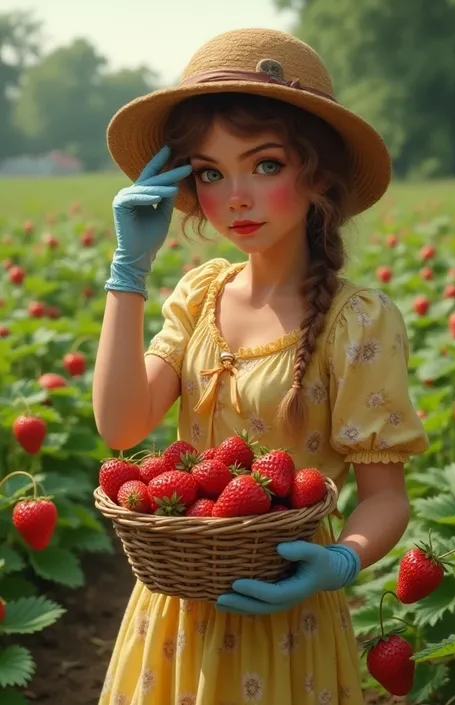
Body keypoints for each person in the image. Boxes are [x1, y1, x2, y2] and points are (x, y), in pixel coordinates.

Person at [92, 27, 429, 705]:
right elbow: (121, 425)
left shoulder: (356, 321)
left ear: (318, 173)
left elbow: (386, 495)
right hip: (174, 611)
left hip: (288, 620)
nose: (236, 195)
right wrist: (128, 271)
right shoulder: (199, 295)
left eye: (265, 164)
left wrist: (342, 558)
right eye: (211, 172)